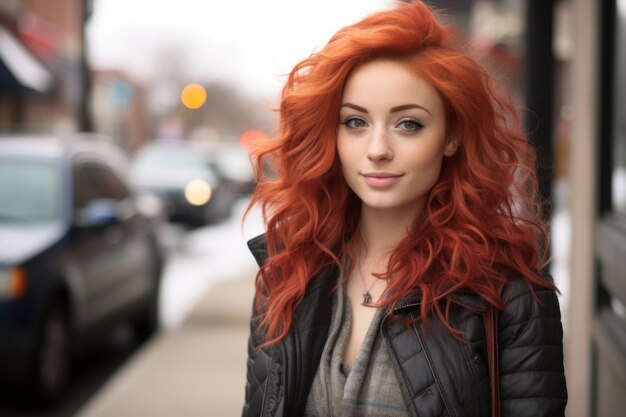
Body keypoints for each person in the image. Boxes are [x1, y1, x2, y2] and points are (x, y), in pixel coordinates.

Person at [241, 2, 567, 416]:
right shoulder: (288, 275)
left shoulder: (508, 294)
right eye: (355, 122)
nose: (377, 150)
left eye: (408, 123)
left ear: (451, 137)